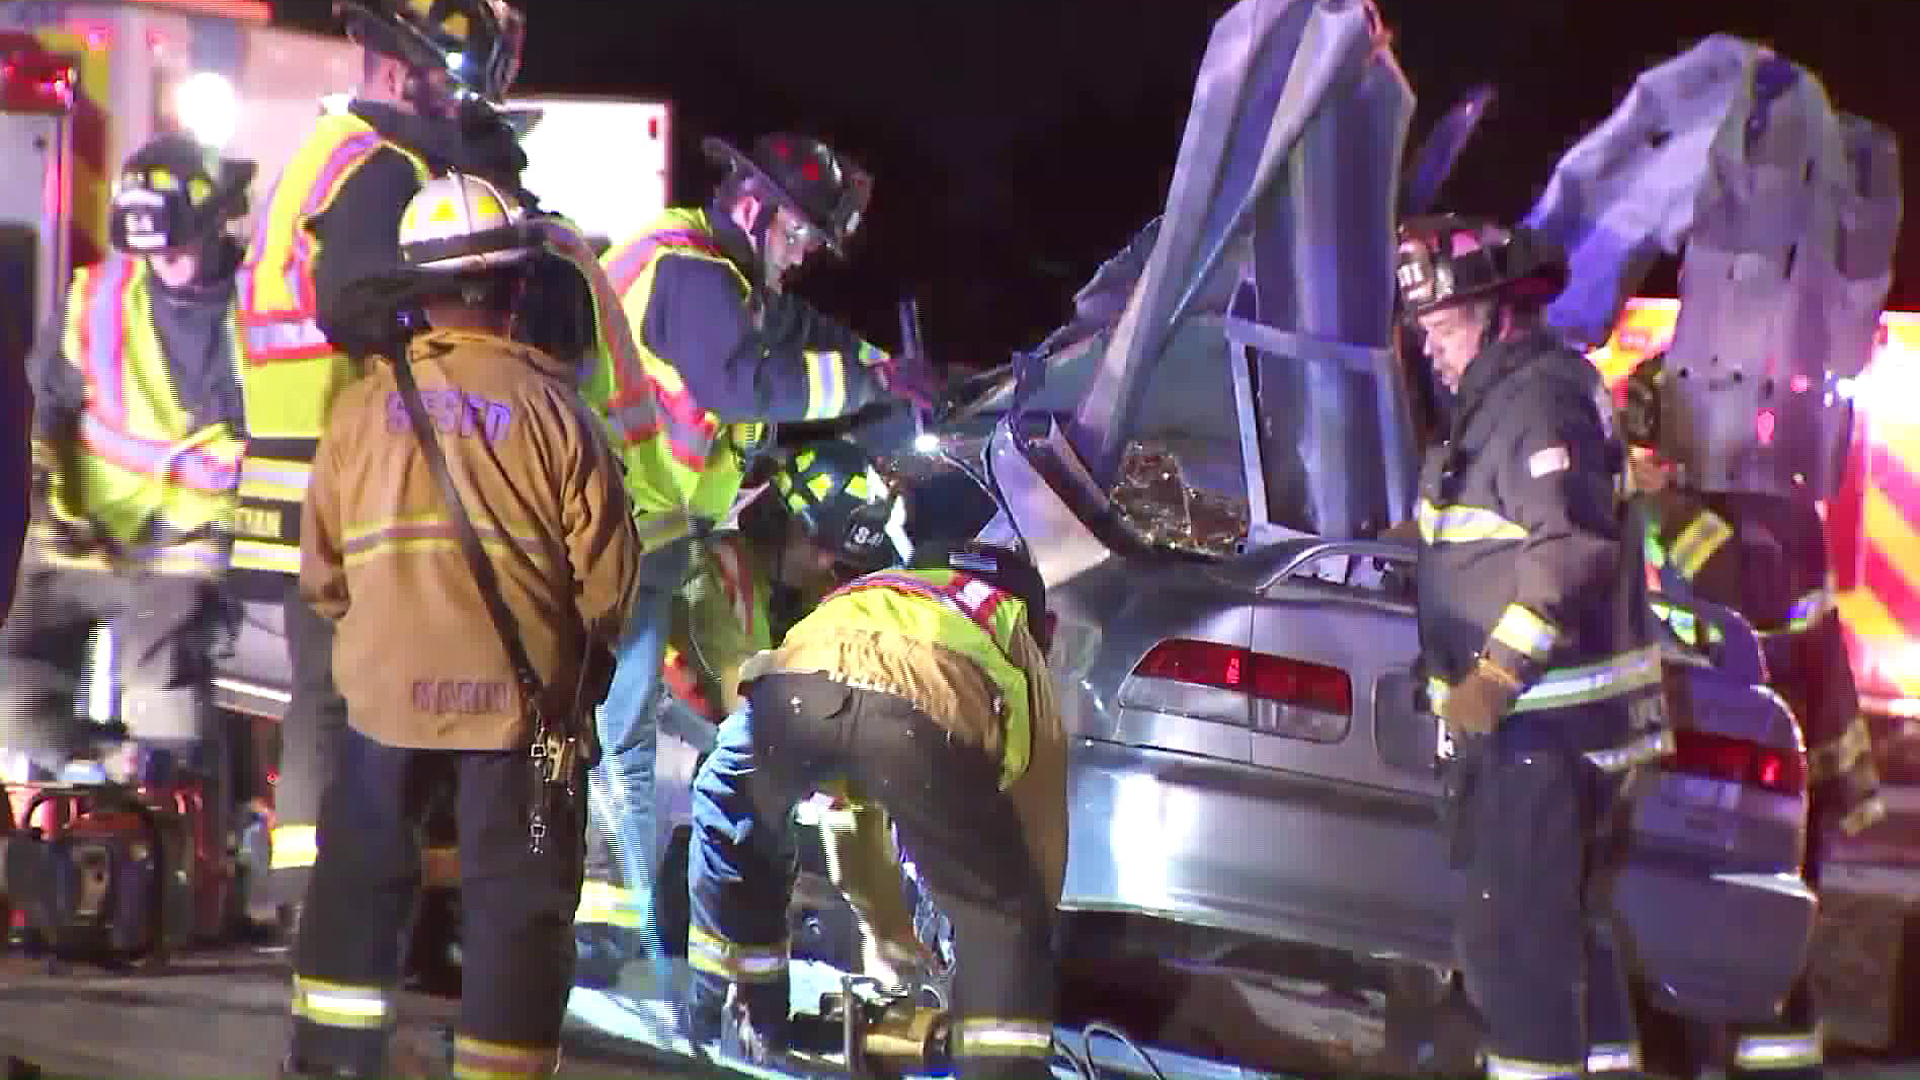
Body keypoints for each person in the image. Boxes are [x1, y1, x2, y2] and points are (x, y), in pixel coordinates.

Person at [281, 172, 641, 1080]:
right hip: (520, 728)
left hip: (381, 713)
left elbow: (321, 578)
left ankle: (330, 1060)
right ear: (519, 289)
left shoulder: (360, 410)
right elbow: (609, 590)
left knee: (358, 885)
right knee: (521, 899)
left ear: (421, 291)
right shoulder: (564, 413)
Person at [577, 130, 942, 998]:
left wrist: (890, 368)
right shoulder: (689, 273)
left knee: (709, 723)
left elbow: (800, 333)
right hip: (611, 529)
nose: (805, 254)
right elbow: (741, 385)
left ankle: (681, 937)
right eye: (801, 234)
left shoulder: (730, 281)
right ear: (752, 207)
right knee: (613, 740)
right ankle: (593, 938)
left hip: (662, 535)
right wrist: (872, 389)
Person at [236, 0, 532, 925]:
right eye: (451, 84)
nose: (457, 106)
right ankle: (326, 906)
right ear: (404, 71)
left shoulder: (337, 155)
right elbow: (361, 307)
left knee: (325, 700)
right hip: (345, 479)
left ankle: (304, 896)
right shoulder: (376, 169)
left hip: (305, 472)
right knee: (345, 703)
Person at [1396, 214, 1673, 1080]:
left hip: (1540, 739)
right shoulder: (1505, 401)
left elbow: (1570, 551)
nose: (1431, 350)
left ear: (1501, 309)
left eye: (1441, 328)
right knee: (1572, 948)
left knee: (1518, 959)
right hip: (1550, 741)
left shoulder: (1537, 401)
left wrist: (1491, 678)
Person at [684, 540, 1065, 1080]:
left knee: (732, 807)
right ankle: (999, 1072)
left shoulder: (882, 590)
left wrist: (885, 931)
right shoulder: (1012, 631)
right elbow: (1036, 840)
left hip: (793, 694)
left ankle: (735, 1021)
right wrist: (1014, 949)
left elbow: (856, 792)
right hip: (915, 715)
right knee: (1002, 914)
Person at [1625, 353, 1883, 1079]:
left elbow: (1743, 593)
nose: (1655, 456)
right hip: (1755, 763)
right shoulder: (1733, 495)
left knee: (1763, 959)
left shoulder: (1763, 511)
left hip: (1779, 775)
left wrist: (1664, 508)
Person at [0, 134, 256, 858]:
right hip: (84, 536)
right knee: (14, 688)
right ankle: (92, 781)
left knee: (160, 682)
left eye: (178, 250)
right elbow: (50, 408)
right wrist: (60, 506)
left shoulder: (252, 310)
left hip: (183, 546)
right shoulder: (98, 301)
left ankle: (176, 847)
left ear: (214, 230)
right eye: (153, 252)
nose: (165, 266)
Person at [577, 438, 908, 982]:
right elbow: (739, 692)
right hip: (666, 750)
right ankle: (604, 937)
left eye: (839, 556)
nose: (827, 563)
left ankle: (745, 974)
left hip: (713, 770)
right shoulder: (715, 567)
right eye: (819, 545)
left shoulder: (815, 597)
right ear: (783, 523)